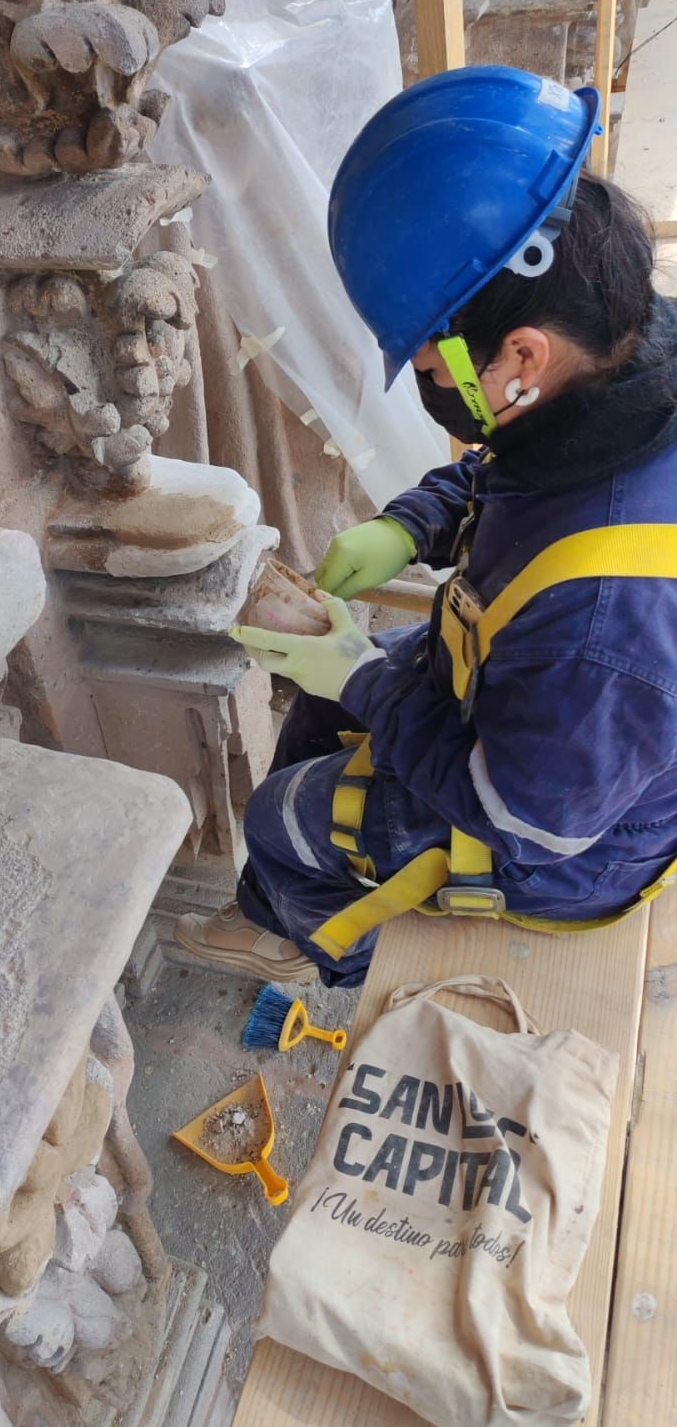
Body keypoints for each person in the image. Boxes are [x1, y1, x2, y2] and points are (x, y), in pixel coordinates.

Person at [175, 65, 677, 988]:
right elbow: (517, 474)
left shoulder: (607, 620)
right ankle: (284, 904)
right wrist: (409, 528)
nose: (423, 377)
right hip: (544, 709)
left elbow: (526, 815)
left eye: (430, 361)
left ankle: (356, 951)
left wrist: (368, 675)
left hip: (570, 838)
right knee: (327, 702)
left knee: (280, 815)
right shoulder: (620, 358)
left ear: (521, 353)